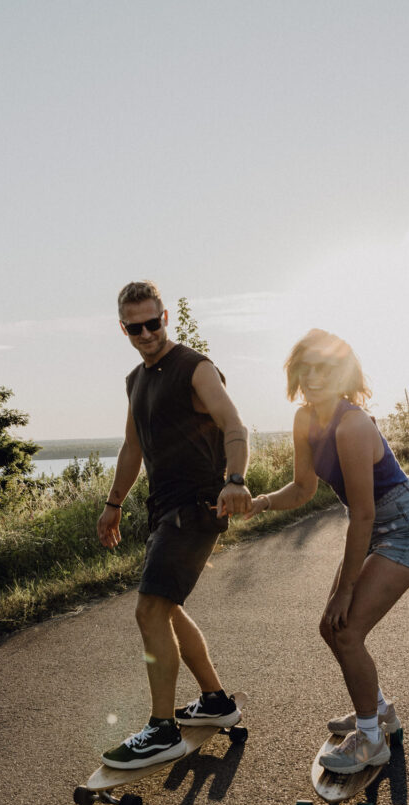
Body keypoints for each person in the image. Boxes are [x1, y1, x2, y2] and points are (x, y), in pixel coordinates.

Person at [245, 329, 409, 774]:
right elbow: (302, 488)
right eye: (306, 368)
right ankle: (378, 710)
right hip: (375, 526)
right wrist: (263, 502)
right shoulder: (304, 420)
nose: (314, 377)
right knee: (330, 628)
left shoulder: (353, 425)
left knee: (346, 629)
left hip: (407, 530)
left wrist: (344, 591)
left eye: (325, 368)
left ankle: (371, 740)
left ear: (343, 372)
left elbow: (364, 516)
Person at [97, 280, 252, 769]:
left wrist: (235, 479)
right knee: (169, 609)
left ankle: (162, 729)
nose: (146, 333)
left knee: (149, 611)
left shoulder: (195, 368)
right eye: (135, 326)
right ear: (123, 328)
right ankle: (214, 701)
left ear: (166, 317)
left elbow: (234, 425)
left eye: (153, 322)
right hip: (163, 506)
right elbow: (132, 448)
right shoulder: (136, 380)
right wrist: (113, 502)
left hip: (197, 505)